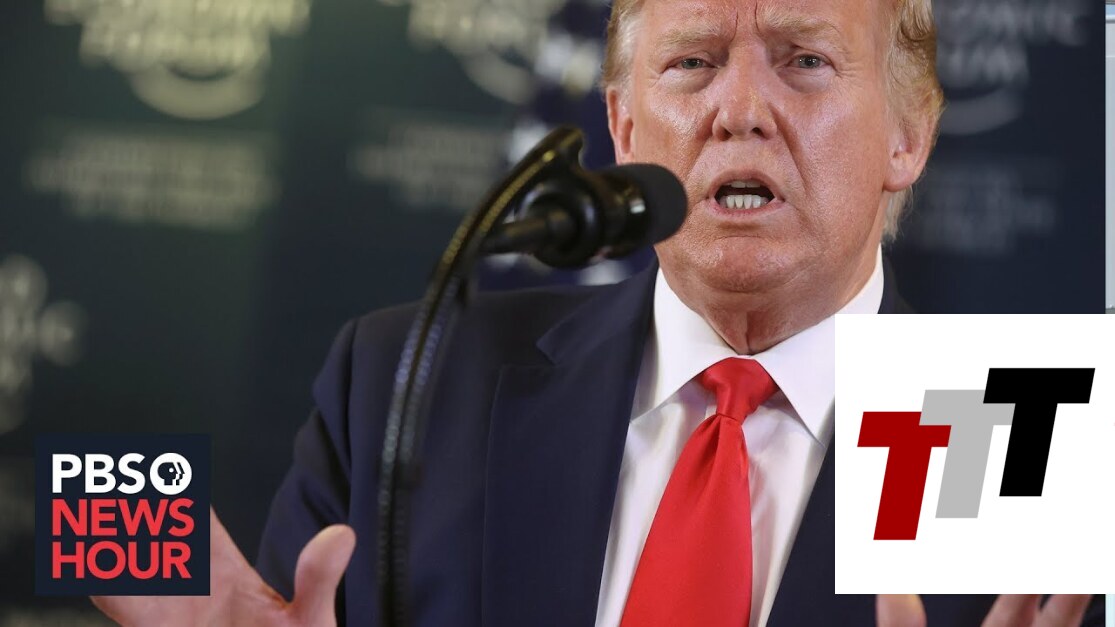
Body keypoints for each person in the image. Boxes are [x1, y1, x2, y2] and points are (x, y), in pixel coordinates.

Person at [93, 0, 1103, 625]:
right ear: (622, 127)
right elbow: (157, 546)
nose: (738, 110)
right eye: (691, 61)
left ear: (907, 136)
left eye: (803, 59)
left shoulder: (1015, 419)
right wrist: (92, 505)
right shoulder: (408, 374)